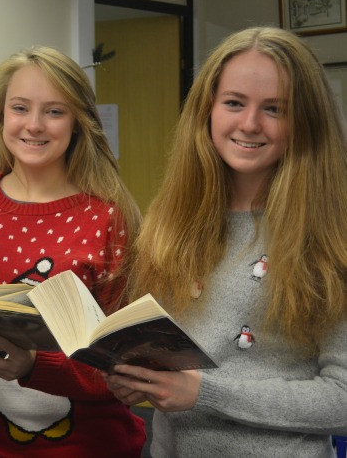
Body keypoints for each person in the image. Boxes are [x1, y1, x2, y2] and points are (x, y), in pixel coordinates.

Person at [102, 26, 347, 457]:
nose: (250, 123)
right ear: (208, 111)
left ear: (305, 121)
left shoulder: (332, 234)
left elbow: (341, 397)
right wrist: (140, 380)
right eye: (234, 103)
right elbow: (174, 368)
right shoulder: (172, 220)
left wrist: (205, 394)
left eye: (274, 108)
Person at [0, 46, 146, 457]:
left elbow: (127, 364)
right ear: (2, 115)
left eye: (55, 111)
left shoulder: (109, 216)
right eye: (20, 108)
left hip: (88, 447)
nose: (35, 125)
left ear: (78, 122)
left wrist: (32, 366)